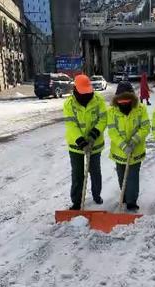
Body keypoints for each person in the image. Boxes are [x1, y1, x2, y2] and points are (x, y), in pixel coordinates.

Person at [63, 74, 107, 210]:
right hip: (76, 146)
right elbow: (71, 125)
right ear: (75, 89)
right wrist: (82, 142)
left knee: (95, 171)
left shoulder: (98, 100)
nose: (86, 95)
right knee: (77, 173)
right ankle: (77, 201)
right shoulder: (69, 104)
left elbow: (103, 119)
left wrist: (94, 135)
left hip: (95, 144)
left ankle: (96, 195)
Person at [107, 81, 150, 211]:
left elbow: (145, 127)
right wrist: (123, 145)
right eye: (121, 101)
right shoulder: (112, 111)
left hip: (135, 151)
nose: (124, 103)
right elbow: (112, 131)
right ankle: (125, 196)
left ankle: (131, 201)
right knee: (122, 177)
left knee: (132, 176)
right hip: (119, 151)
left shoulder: (140, 109)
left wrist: (134, 141)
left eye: (127, 100)